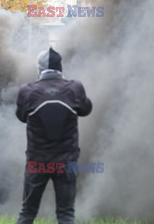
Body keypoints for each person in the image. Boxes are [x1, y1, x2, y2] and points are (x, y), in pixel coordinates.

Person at [15, 47, 92, 224]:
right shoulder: (75, 88)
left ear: (39, 69)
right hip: (66, 161)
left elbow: (21, 117)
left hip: (37, 161)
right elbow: (86, 109)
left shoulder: (27, 91)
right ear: (60, 68)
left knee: (27, 212)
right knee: (66, 214)